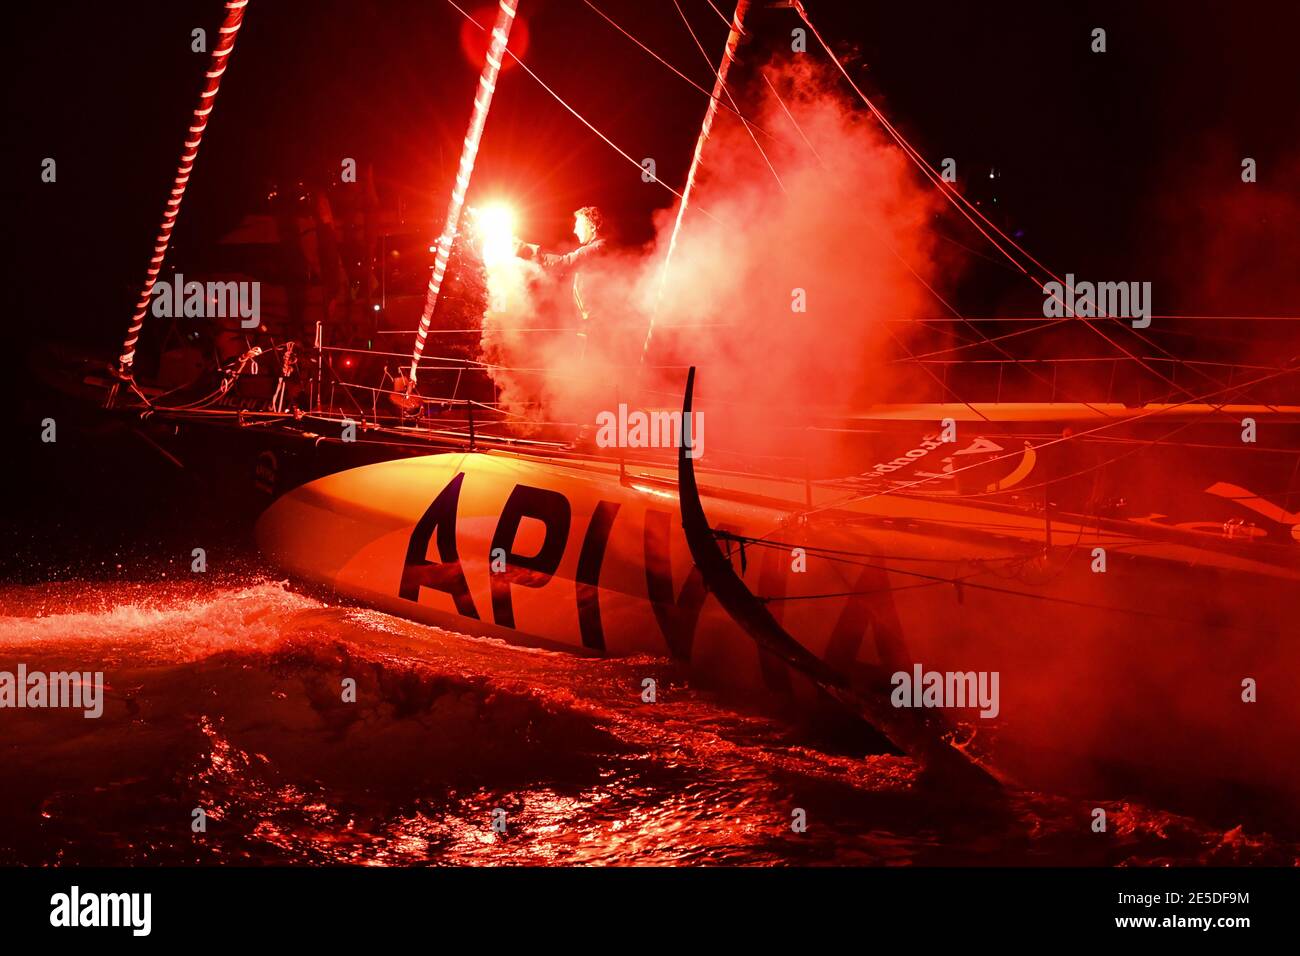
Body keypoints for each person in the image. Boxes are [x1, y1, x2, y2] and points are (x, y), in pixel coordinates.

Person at [515, 206, 609, 359]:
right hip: (588, 325)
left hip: (595, 327)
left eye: (578, 225)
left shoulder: (598, 247)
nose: (574, 230)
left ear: (592, 226)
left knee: (586, 372)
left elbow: (563, 263)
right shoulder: (595, 248)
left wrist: (527, 250)